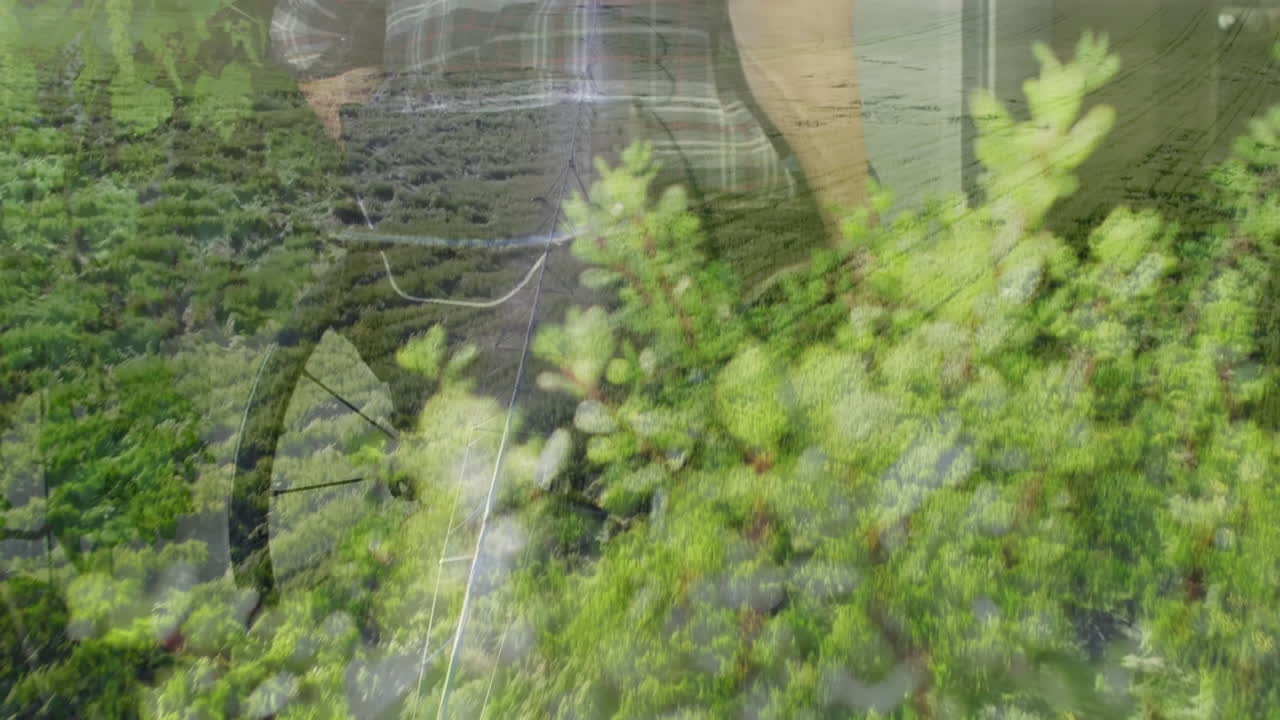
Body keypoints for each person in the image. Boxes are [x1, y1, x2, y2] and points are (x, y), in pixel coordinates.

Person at [268, 0, 872, 252]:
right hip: (674, 214)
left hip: (448, 240)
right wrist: (861, 240)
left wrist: (408, 167)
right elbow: (792, 35)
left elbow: (310, 33)